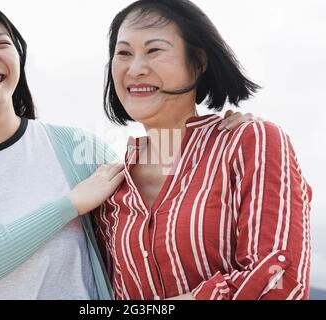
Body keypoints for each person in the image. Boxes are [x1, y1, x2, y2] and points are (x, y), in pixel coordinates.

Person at [0, 0, 253, 300]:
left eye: (1, 44)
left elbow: (157, 221)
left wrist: (219, 137)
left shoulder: (76, 149)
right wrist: (69, 205)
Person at [93, 0, 313, 300]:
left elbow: (278, 281)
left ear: (198, 61)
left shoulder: (250, 141)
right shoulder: (108, 188)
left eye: (154, 50)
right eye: (123, 53)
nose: (136, 68)